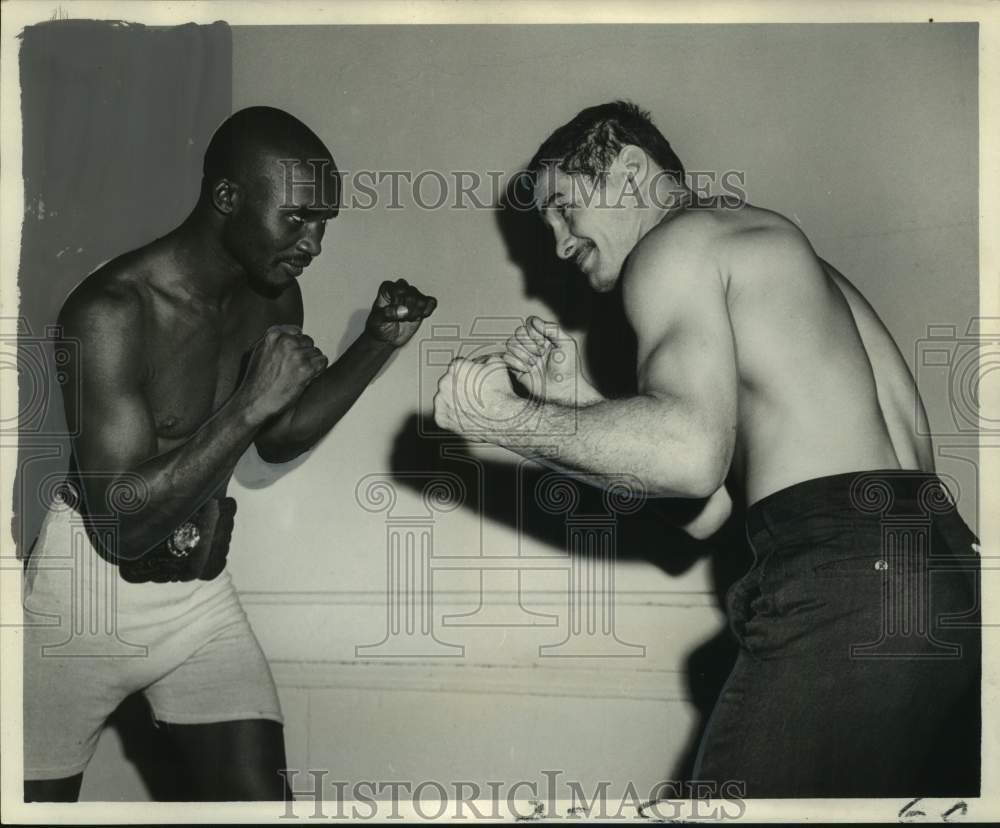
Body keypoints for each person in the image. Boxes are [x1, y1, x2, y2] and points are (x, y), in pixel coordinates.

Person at [433, 101, 980, 797]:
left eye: (565, 210)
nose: (560, 245)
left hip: (848, 581)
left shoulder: (675, 244)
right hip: (949, 584)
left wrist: (504, 419)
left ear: (632, 173)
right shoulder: (788, 259)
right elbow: (704, 509)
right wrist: (573, 405)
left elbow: (689, 455)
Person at [23, 106, 436, 802]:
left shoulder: (274, 299)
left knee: (262, 806)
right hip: (79, 611)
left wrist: (375, 344)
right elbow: (122, 525)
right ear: (227, 199)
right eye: (299, 218)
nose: (315, 243)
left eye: (325, 222)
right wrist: (247, 401)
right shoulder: (110, 311)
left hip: (194, 604)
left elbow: (277, 435)